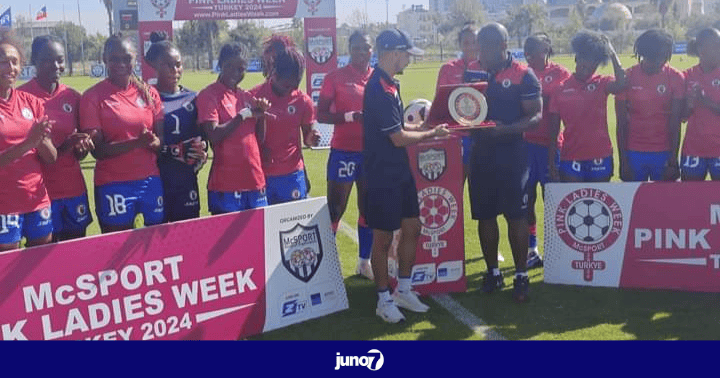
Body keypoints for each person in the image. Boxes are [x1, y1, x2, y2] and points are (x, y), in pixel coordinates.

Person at [364, 28, 449, 323]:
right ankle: (383, 299)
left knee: (413, 227)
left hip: (399, 171)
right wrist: (429, 134)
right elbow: (397, 138)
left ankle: (404, 289)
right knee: (383, 238)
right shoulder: (376, 87)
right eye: (406, 55)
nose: (409, 61)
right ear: (394, 53)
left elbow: (400, 128)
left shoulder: (390, 84)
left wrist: (432, 131)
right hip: (380, 175)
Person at [470, 23, 542, 303]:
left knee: (516, 215)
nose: (481, 52)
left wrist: (504, 129)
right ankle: (493, 272)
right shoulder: (472, 72)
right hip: (481, 153)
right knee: (485, 215)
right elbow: (462, 107)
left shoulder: (524, 74)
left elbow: (535, 117)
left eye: (485, 46)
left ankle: (521, 275)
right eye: (479, 46)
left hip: (513, 153)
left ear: (501, 45)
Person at [80, 34, 165, 233]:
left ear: (135, 58)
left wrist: (154, 143)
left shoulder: (149, 93)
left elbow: (161, 140)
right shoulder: (93, 96)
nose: (120, 64)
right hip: (113, 184)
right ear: (104, 59)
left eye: (126, 58)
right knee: (116, 247)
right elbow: (98, 151)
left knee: (155, 245)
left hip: (150, 180)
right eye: (114, 59)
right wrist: (137, 143)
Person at [19, 35, 94, 241]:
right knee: (41, 256)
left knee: (76, 253)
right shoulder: (21, 97)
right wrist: (63, 146)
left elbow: (80, 151)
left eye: (60, 60)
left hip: (73, 188)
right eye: (47, 60)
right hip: (39, 193)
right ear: (34, 60)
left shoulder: (73, 97)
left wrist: (81, 148)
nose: (55, 65)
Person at [317, 30, 375, 279]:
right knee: (335, 210)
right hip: (344, 152)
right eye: (357, 48)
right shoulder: (335, 78)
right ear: (349, 49)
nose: (362, 53)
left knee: (369, 209)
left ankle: (364, 262)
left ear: (372, 50)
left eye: (366, 48)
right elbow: (321, 115)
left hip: (372, 153)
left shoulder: (378, 78)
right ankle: (328, 263)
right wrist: (350, 117)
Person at [197, 42, 270, 214]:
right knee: (226, 241)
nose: (235, 73)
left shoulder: (246, 96)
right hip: (226, 185)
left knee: (258, 238)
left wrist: (261, 115)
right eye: (229, 66)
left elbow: (259, 139)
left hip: (255, 181)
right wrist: (242, 116)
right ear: (220, 64)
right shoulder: (209, 95)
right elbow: (213, 135)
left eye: (241, 68)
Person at [0, 28, 56, 251]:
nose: (10, 68)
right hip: (4, 204)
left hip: (37, 200)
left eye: (14, 62)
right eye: (3, 62)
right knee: (6, 270)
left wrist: (41, 140)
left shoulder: (31, 102)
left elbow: (51, 158)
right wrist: (28, 143)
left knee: (39, 270)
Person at [144, 31, 207, 222]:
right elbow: (143, 141)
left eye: (178, 64)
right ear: (155, 65)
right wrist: (174, 151)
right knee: (155, 239)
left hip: (185, 181)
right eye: (167, 65)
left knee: (187, 237)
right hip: (155, 180)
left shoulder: (193, 98)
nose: (174, 70)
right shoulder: (145, 98)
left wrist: (201, 153)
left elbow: (201, 138)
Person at [548, 31, 627, 183]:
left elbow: (622, 83)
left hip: (600, 155)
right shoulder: (560, 89)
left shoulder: (602, 83)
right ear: (577, 59)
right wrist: (552, 162)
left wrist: (612, 53)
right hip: (571, 156)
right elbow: (553, 131)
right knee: (575, 203)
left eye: (594, 62)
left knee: (599, 203)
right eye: (585, 60)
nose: (588, 65)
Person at [522, 33, 571, 268]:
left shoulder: (561, 74)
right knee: (527, 198)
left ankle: (556, 248)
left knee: (552, 199)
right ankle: (532, 248)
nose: (534, 54)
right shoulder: (522, 73)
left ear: (548, 50)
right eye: (530, 50)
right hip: (525, 145)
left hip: (551, 145)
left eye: (539, 49)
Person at [252, 36, 319, 205]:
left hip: (292, 175)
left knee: (292, 228)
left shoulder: (304, 101)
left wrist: (312, 139)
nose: (290, 90)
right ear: (274, 74)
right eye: (286, 85)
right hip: (260, 175)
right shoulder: (254, 96)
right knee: (263, 228)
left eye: (294, 86)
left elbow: (308, 139)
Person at [616, 29, 684, 182]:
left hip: (663, 152)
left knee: (664, 203)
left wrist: (673, 160)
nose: (660, 62)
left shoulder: (676, 78)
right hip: (634, 152)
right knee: (634, 203)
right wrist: (623, 161)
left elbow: (675, 122)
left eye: (665, 58)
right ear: (643, 54)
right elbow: (621, 123)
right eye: (656, 58)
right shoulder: (628, 77)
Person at [436, 22, 481, 182]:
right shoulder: (448, 68)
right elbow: (439, 105)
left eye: (475, 42)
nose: (471, 47)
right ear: (460, 45)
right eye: (466, 43)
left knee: (478, 191)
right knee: (454, 187)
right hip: (454, 137)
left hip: (480, 137)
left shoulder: (488, 67)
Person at [681, 28, 720, 181]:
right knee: (689, 199)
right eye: (716, 45)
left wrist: (705, 101)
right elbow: (682, 117)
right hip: (693, 149)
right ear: (700, 49)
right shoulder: (686, 76)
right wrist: (689, 105)